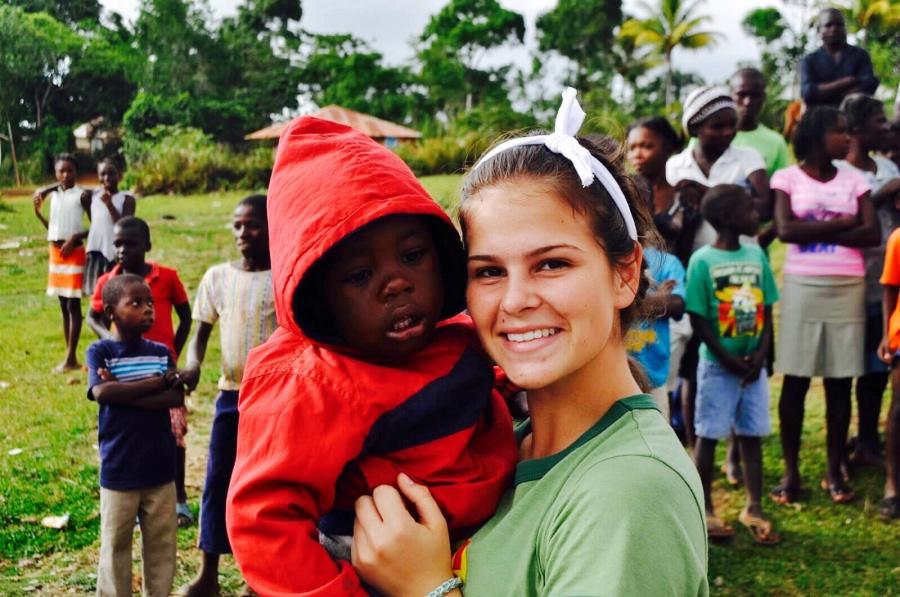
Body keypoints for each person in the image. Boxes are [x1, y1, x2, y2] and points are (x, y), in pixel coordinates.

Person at [350, 88, 707, 596]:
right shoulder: (507, 443)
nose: (515, 299)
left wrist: (426, 588)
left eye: (552, 263)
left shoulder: (628, 491)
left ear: (625, 274)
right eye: (489, 271)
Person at [225, 117, 518, 595]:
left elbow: (475, 387)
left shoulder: (450, 337)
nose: (397, 283)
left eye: (412, 256)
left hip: (476, 537)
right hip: (380, 562)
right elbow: (264, 517)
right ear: (318, 297)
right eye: (360, 276)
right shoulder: (314, 382)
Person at [771, 106, 879, 505]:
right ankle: (791, 471)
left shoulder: (855, 179)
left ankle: (834, 469)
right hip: (803, 285)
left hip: (847, 286)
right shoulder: (787, 177)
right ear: (817, 134)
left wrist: (810, 227)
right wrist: (841, 224)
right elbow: (784, 229)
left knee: (840, 381)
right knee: (795, 379)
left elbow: (872, 232)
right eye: (839, 132)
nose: (847, 138)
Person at [180, 195, 276, 597]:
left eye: (252, 225)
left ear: (272, 228)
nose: (242, 233)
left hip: (273, 401)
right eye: (237, 226)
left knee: (268, 486)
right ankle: (209, 575)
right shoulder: (218, 277)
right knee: (218, 480)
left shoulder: (282, 278)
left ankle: (262, 578)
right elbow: (199, 331)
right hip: (230, 397)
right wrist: (194, 364)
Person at [667, 85, 770, 449]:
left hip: (740, 271)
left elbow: (766, 205)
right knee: (698, 359)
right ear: (695, 127)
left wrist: (707, 195)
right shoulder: (675, 165)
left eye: (732, 126)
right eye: (717, 126)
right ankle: (699, 439)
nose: (728, 133)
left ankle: (735, 449)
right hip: (695, 270)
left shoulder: (748, 158)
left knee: (740, 348)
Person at [686, 185, 780, 544]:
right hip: (717, 367)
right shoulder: (703, 261)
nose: (757, 215)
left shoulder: (757, 256)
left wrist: (759, 357)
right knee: (709, 435)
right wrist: (728, 359)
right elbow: (699, 319)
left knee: (752, 435)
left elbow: (767, 308)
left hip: (752, 370)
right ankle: (706, 508)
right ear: (727, 218)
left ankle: (753, 506)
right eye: (749, 210)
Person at [87, 217, 194, 525]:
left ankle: (180, 498)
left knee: (174, 434)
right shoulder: (108, 282)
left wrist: (173, 348)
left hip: (162, 365)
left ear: (147, 245)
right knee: (132, 431)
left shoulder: (167, 276)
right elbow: (94, 316)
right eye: (117, 243)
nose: (122, 249)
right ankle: (133, 497)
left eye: (130, 243)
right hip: (124, 366)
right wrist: (112, 341)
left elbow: (185, 316)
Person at [86, 273, 185, 596]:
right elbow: (102, 394)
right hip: (119, 469)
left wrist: (123, 389)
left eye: (150, 303)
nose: (148, 310)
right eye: (136, 303)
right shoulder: (100, 352)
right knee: (115, 546)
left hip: (160, 468)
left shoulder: (161, 352)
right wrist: (155, 383)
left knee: (161, 544)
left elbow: (174, 398)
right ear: (111, 312)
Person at [836, 94, 900, 468]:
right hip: (848, 282)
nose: (886, 127)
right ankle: (842, 442)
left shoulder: (889, 168)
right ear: (857, 128)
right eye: (878, 121)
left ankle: (868, 439)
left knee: (877, 369)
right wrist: (879, 197)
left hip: (883, 284)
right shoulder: (840, 172)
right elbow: (846, 218)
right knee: (846, 369)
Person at [32, 153, 86, 373]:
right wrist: (38, 214)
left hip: (73, 253)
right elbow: (54, 227)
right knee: (63, 306)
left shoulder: (82, 195)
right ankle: (69, 355)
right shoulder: (54, 196)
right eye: (61, 171)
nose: (65, 175)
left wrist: (74, 238)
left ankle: (71, 357)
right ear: (55, 174)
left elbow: (96, 225)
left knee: (73, 305)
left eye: (70, 170)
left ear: (76, 172)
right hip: (56, 253)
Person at [624, 246, 686, 421]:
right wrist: (659, 299)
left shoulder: (667, 262)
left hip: (654, 380)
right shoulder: (606, 253)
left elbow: (677, 305)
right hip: (614, 384)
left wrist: (628, 301)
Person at [626, 116, 696, 264]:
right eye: (632, 148)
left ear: (667, 147)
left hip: (675, 278)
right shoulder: (622, 195)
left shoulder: (683, 197)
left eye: (646, 146)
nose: (637, 154)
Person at [800, 8, 879, 108]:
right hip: (822, 119)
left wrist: (824, 94)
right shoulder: (809, 60)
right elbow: (807, 93)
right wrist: (845, 82)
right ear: (819, 30)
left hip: (854, 118)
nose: (834, 29)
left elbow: (869, 84)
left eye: (839, 25)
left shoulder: (860, 55)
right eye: (828, 25)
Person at [80, 159, 136, 297]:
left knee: (117, 293)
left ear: (120, 175)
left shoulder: (126, 199)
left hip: (115, 254)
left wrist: (109, 204)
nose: (107, 178)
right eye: (102, 174)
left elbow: (123, 226)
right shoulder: (93, 196)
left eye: (111, 173)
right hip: (96, 252)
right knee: (97, 293)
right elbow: (95, 222)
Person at [877, 220, 900, 519]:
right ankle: (893, 484)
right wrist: (885, 334)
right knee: (899, 411)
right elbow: (890, 287)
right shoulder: (898, 238)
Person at [729, 68, 790, 178]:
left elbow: (781, 186)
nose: (748, 102)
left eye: (755, 95)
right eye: (741, 94)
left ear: (764, 98)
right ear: (730, 96)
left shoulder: (776, 142)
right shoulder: (708, 136)